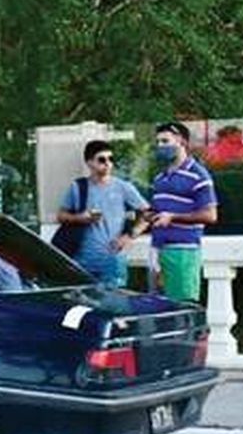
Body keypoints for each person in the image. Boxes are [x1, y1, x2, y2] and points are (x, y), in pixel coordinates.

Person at [55, 140, 150, 288]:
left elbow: (148, 214)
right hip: (81, 259)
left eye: (111, 159)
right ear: (89, 162)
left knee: (114, 304)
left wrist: (129, 235)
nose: (108, 163)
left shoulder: (123, 187)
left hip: (112, 260)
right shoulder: (78, 187)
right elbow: (61, 215)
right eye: (102, 159)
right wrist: (80, 218)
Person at [148, 121, 218, 302]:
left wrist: (172, 217)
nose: (160, 146)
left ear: (182, 142)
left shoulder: (199, 175)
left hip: (183, 253)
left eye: (165, 141)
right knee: (158, 309)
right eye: (158, 142)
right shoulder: (159, 177)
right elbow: (156, 211)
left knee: (182, 308)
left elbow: (210, 215)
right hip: (157, 250)